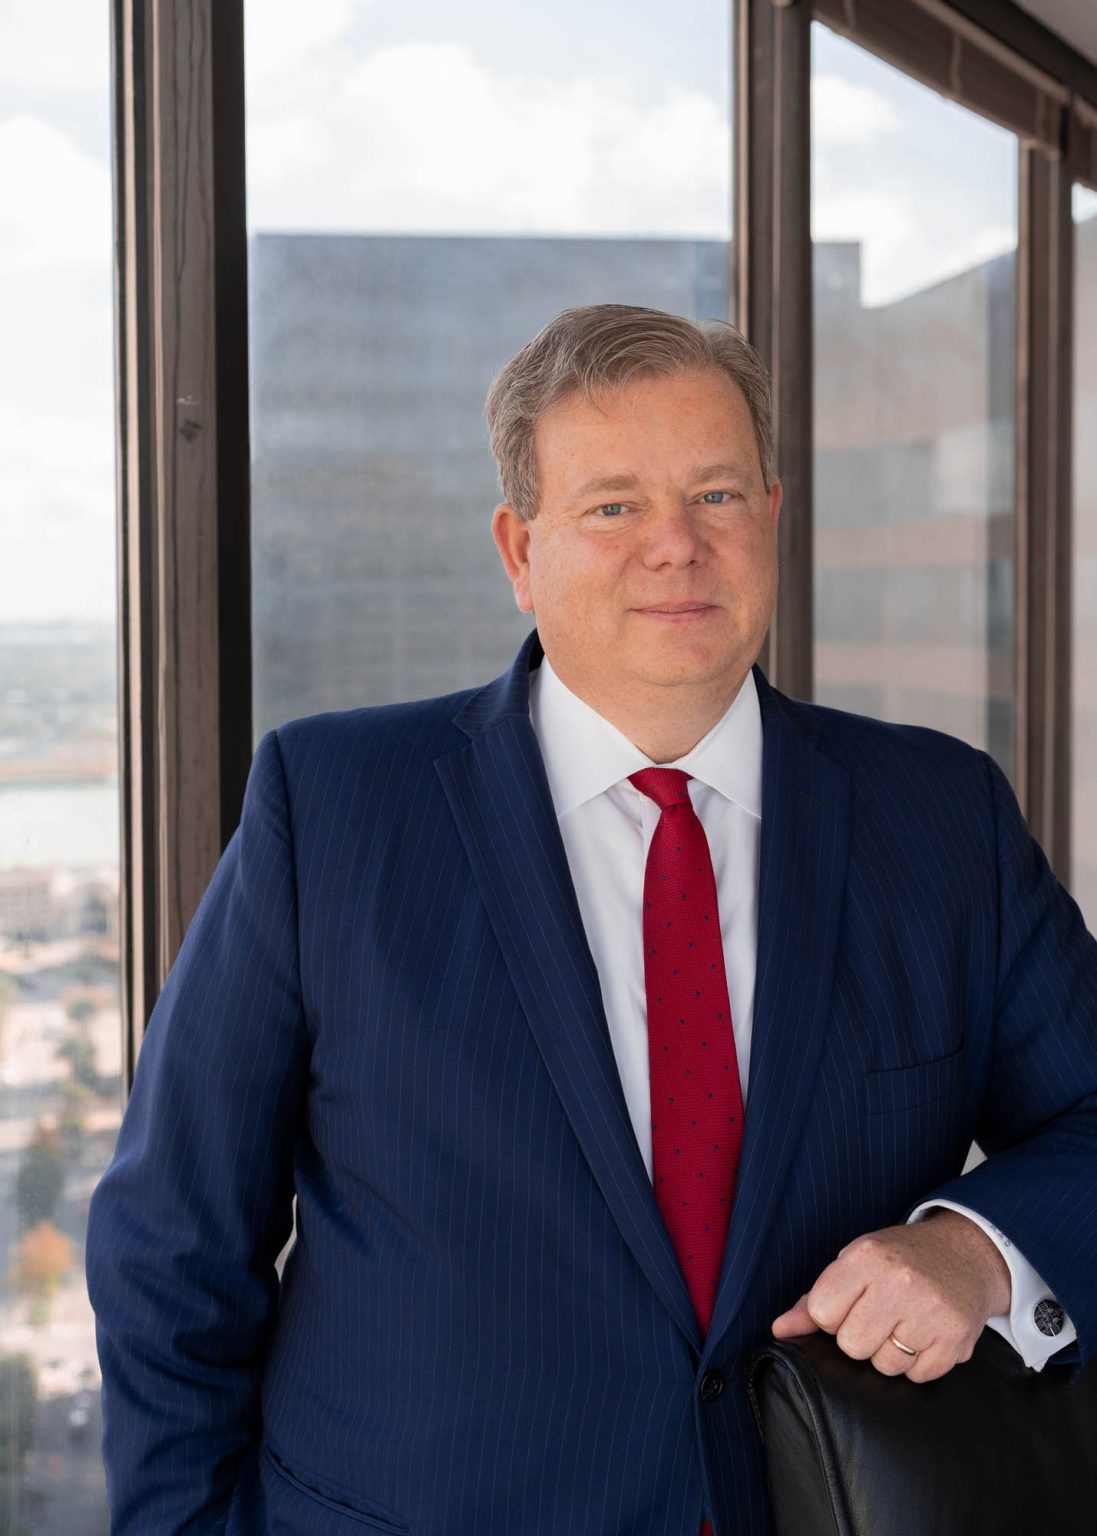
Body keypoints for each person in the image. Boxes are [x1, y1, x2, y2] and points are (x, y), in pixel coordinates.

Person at [86, 304, 1097, 1536]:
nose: (674, 546)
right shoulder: (334, 806)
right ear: (520, 550)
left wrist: (977, 1247)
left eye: (716, 496)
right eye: (611, 506)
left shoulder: (941, 816)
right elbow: (172, 1242)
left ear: (771, 520)